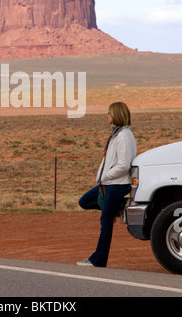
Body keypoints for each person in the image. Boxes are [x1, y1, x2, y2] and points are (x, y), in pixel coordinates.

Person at [77, 102, 137, 268]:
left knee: (106, 221)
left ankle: (99, 260)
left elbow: (124, 165)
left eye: (109, 113)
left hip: (116, 184)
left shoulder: (124, 136)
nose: (107, 116)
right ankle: (115, 208)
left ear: (116, 114)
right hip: (109, 183)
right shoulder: (118, 134)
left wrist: (106, 176)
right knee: (84, 201)